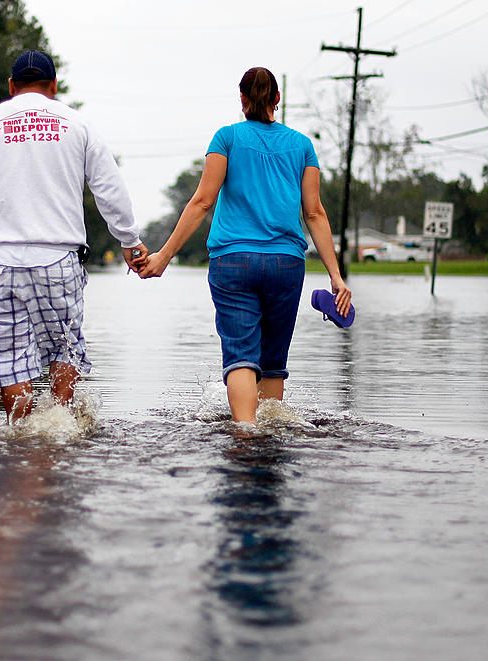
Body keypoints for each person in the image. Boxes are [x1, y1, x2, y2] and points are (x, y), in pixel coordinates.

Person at [136, 66, 351, 424]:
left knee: (240, 356)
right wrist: (336, 276)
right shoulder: (302, 146)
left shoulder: (227, 138)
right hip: (286, 265)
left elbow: (202, 202)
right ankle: (268, 436)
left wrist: (164, 256)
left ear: (242, 100)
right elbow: (315, 213)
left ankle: (245, 433)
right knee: (272, 363)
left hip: (233, 262)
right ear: (277, 100)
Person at [0, 50, 148, 423]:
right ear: (53, 86)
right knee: (64, 348)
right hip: (58, 259)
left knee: (9, 359)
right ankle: (60, 426)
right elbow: (109, 187)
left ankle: (23, 432)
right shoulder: (77, 124)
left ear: (11, 86)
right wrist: (128, 240)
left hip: (0, 260)